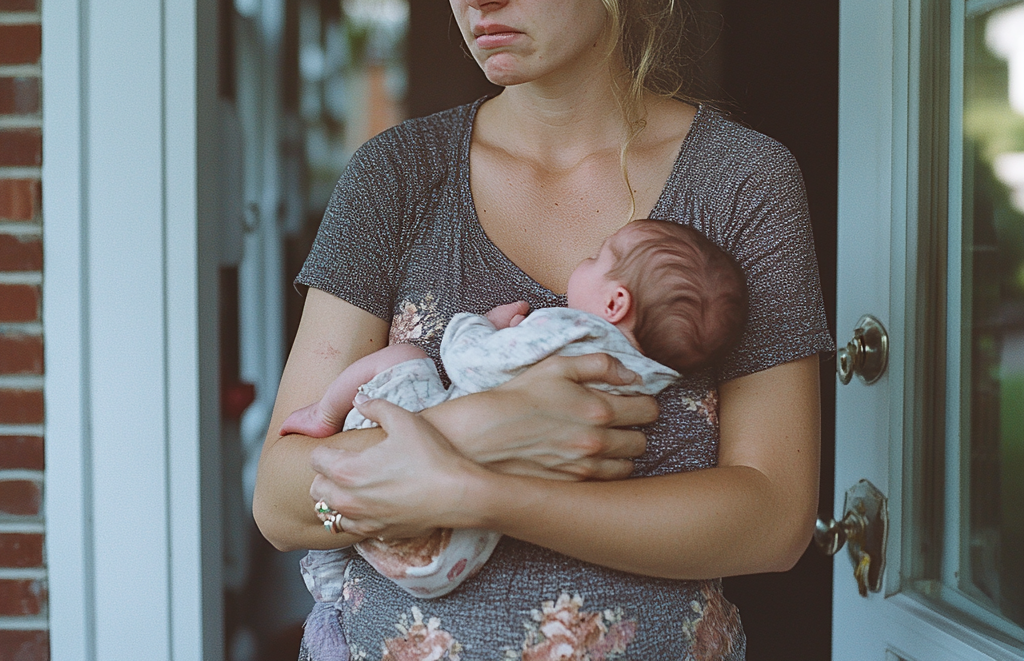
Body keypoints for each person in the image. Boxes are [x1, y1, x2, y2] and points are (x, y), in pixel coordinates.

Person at [254, 0, 834, 661]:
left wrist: (488, 494)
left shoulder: (741, 181)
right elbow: (281, 500)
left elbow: (771, 517)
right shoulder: (397, 175)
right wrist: (479, 429)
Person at [281, 219, 747, 607]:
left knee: (403, 359)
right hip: (452, 560)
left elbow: (471, 362)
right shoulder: (649, 379)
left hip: (409, 508)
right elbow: (276, 510)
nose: (583, 262)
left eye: (597, 257)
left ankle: (322, 416)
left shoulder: (568, 328)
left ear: (614, 302)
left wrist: (481, 326)